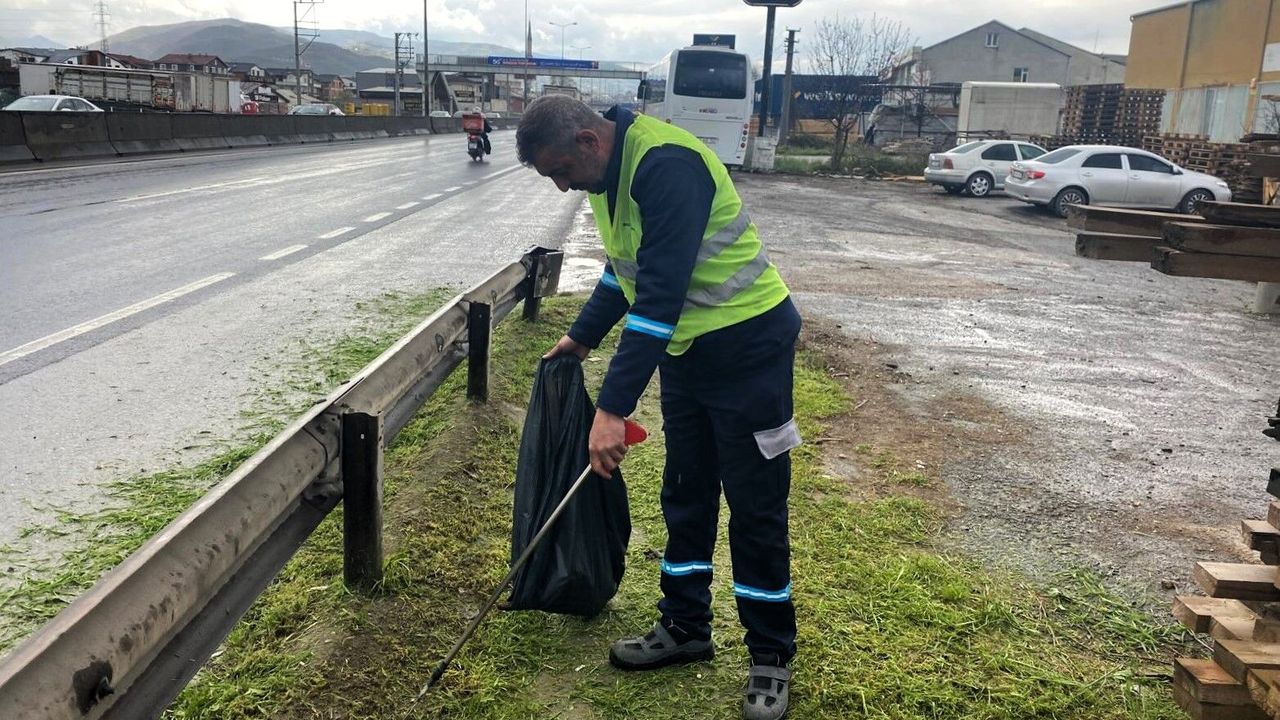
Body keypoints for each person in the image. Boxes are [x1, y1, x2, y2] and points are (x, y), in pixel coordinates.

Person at [516, 95, 802, 720]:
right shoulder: (607, 174)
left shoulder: (667, 164)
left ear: (589, 141)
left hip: (751, 349)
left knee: (754, 506)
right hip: (691, 354)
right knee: (686, 491)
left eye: (560, 170)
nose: (563, 185)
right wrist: (582, 336)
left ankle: (770, 655)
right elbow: (627, 272)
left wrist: (613, 409)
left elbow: (662, 295)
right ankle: (685, 626)